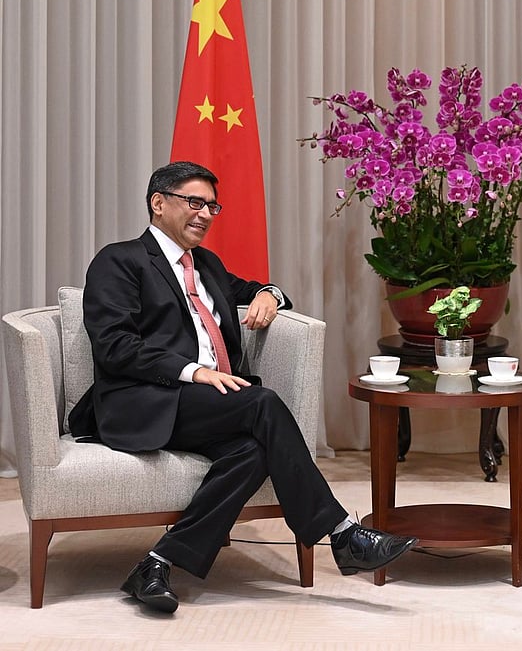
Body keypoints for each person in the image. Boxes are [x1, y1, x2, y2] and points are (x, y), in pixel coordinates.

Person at [69, 161, 417, 613]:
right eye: (194, 202)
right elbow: (114, 345)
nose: (206, 214)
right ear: (159, 203)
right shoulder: (120, 260)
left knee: (251, 452)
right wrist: (193, 371)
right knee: (263, 404)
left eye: (213, 206)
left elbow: (254, 288)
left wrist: (270, 293)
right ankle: (342, 533)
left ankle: (157, 564)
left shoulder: (206, 265)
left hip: (203, 405)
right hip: (145, 400)